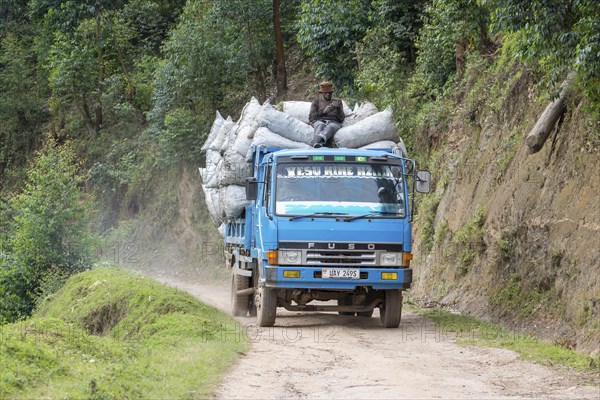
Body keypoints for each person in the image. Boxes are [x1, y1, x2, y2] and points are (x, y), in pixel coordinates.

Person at [309, 81, 345, 148]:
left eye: (330, 93)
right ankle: (317, 143)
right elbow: (311, 117)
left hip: (333, 122)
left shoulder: (337, 101)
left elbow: (341, 119)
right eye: (326, 93)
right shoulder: (316, 101)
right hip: (320, 121)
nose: (328, 94)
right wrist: (324, 112)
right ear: (321, 93)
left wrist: (338, 109)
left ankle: (320, 140)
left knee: (330, 127)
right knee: (320, 125)